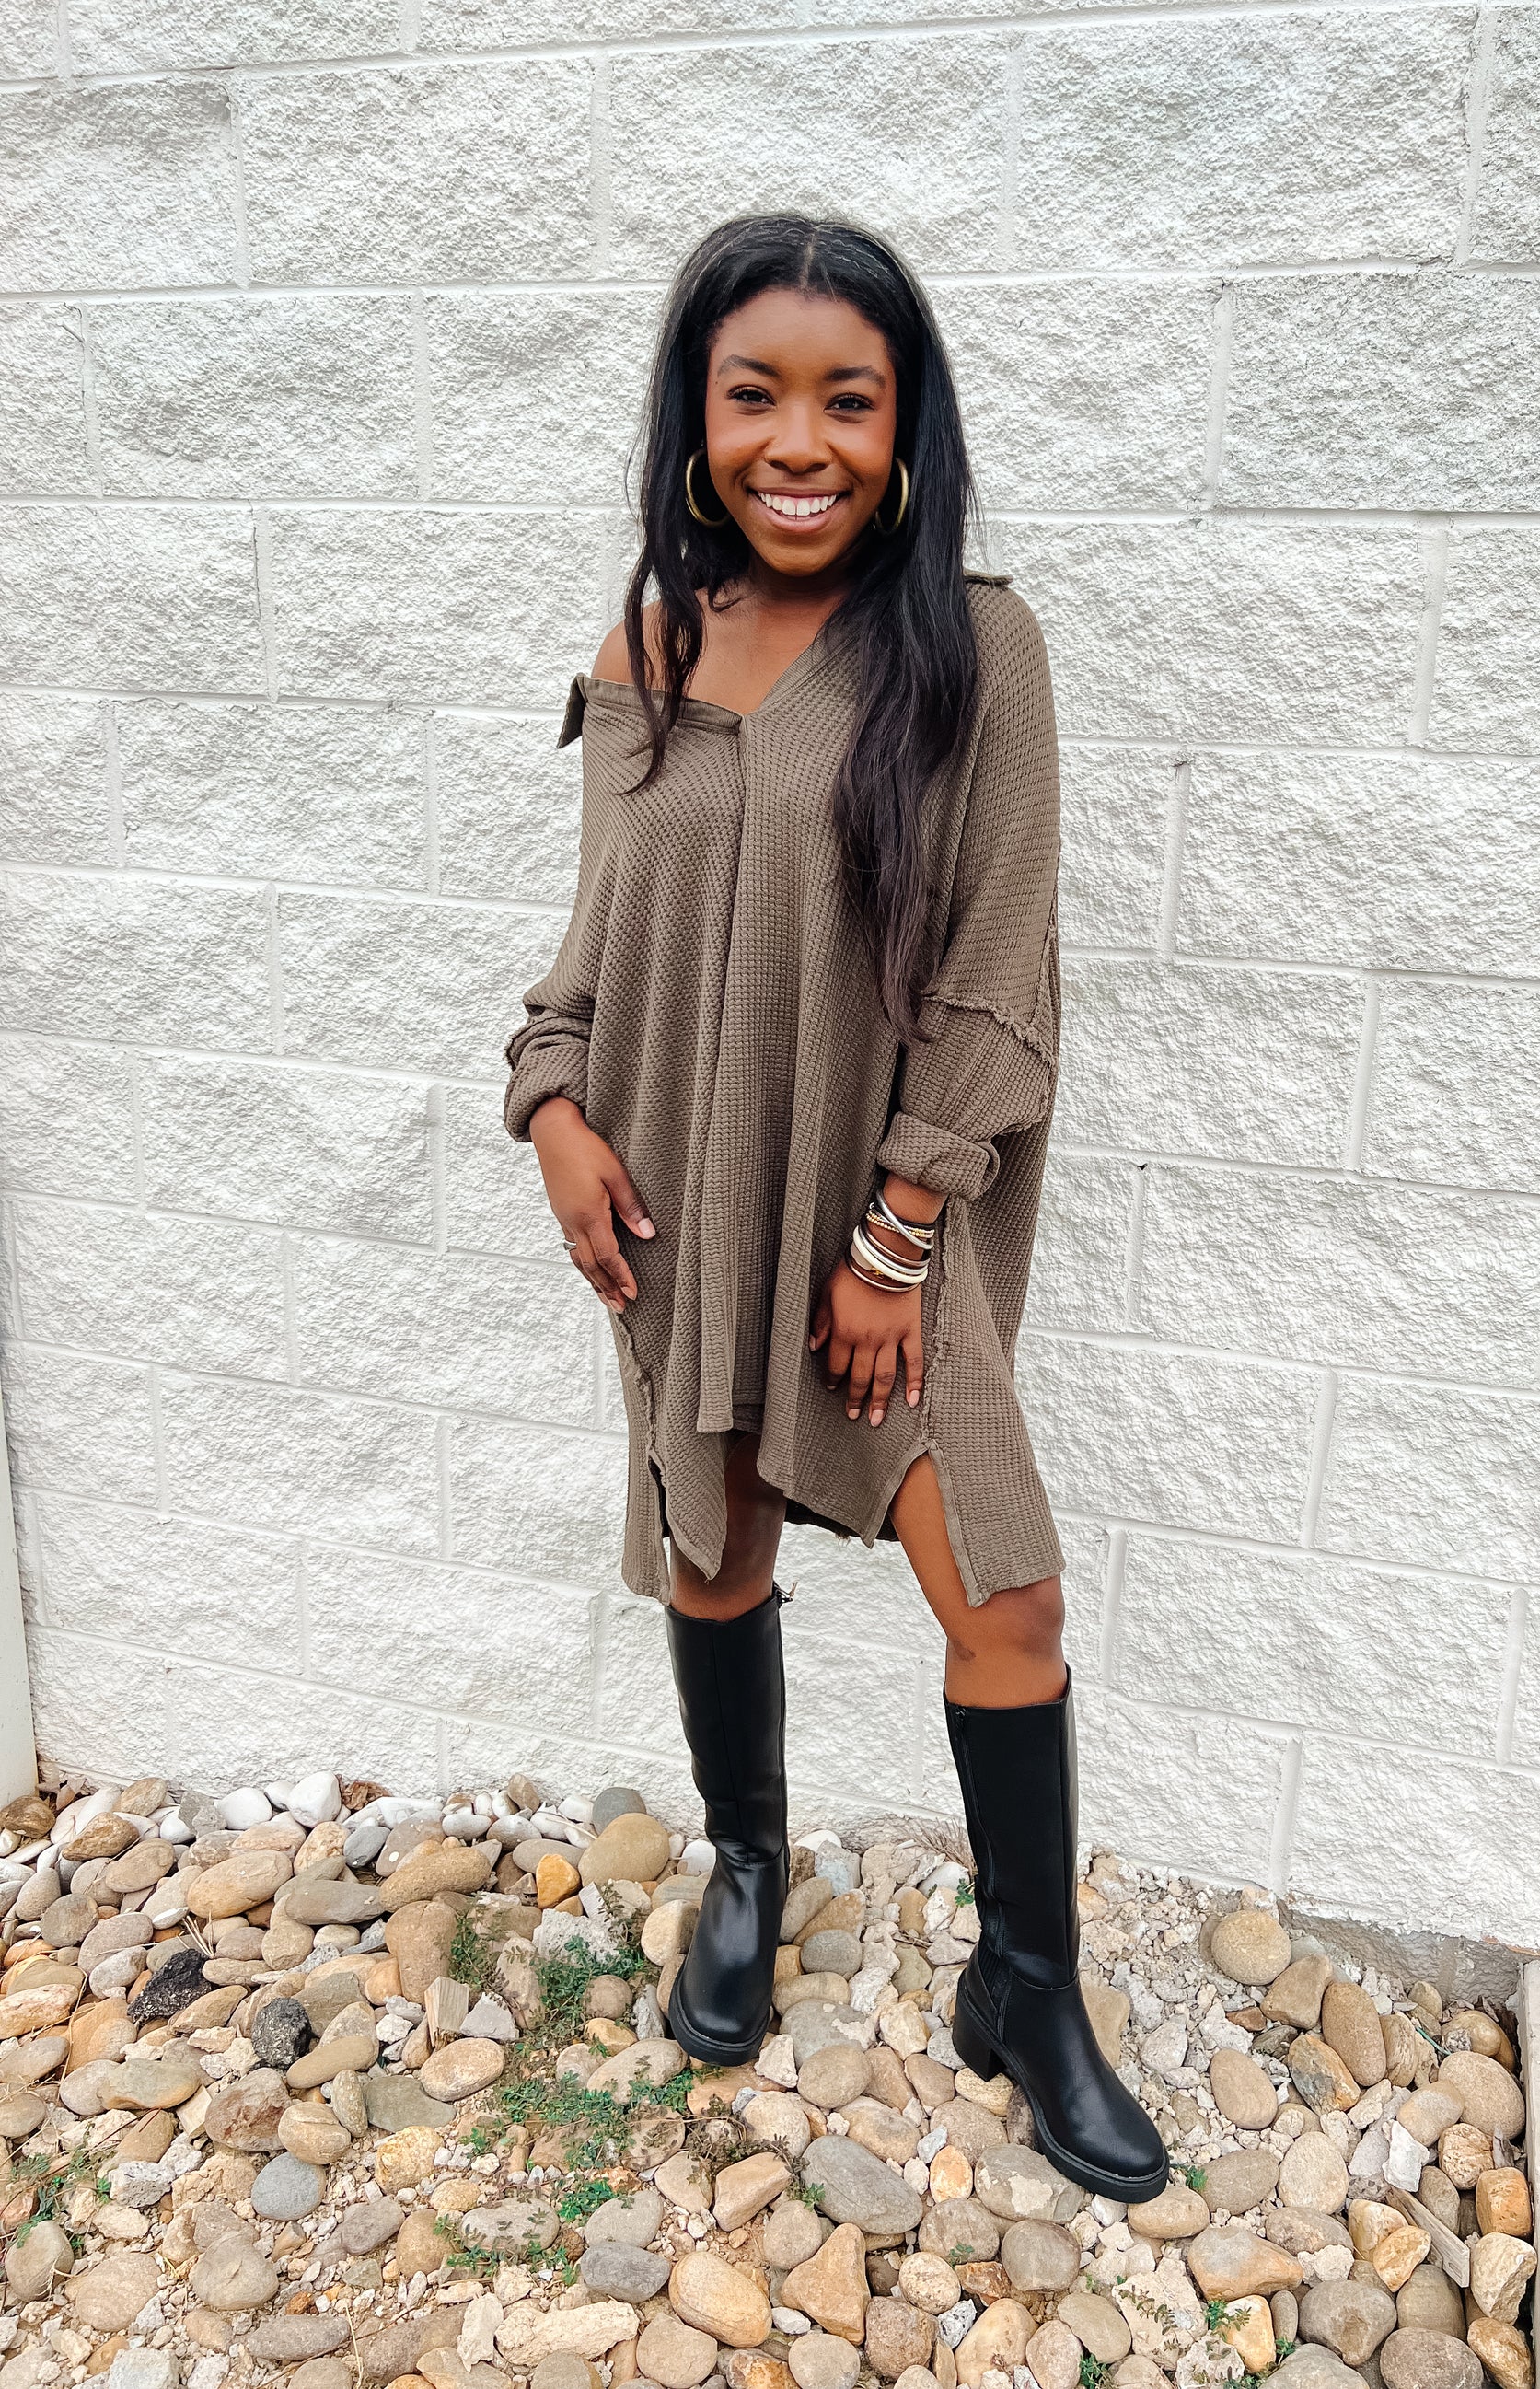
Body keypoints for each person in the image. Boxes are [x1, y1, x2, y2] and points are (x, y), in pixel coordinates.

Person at [503, 213, 1167, 2201]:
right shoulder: (646, 646)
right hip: (674, 1196)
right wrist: (550, 1111)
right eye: (755, 394)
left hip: (884, 1218)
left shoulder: (973, 646)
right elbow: (590, 955)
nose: (799, 441)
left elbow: (996, 971)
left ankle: (1026, 1986)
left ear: (904, 424)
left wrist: (894, 1237)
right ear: (696, 419)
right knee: (714, 1556)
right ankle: (745, 1866)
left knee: (1008, 1600)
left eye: (847, 399)